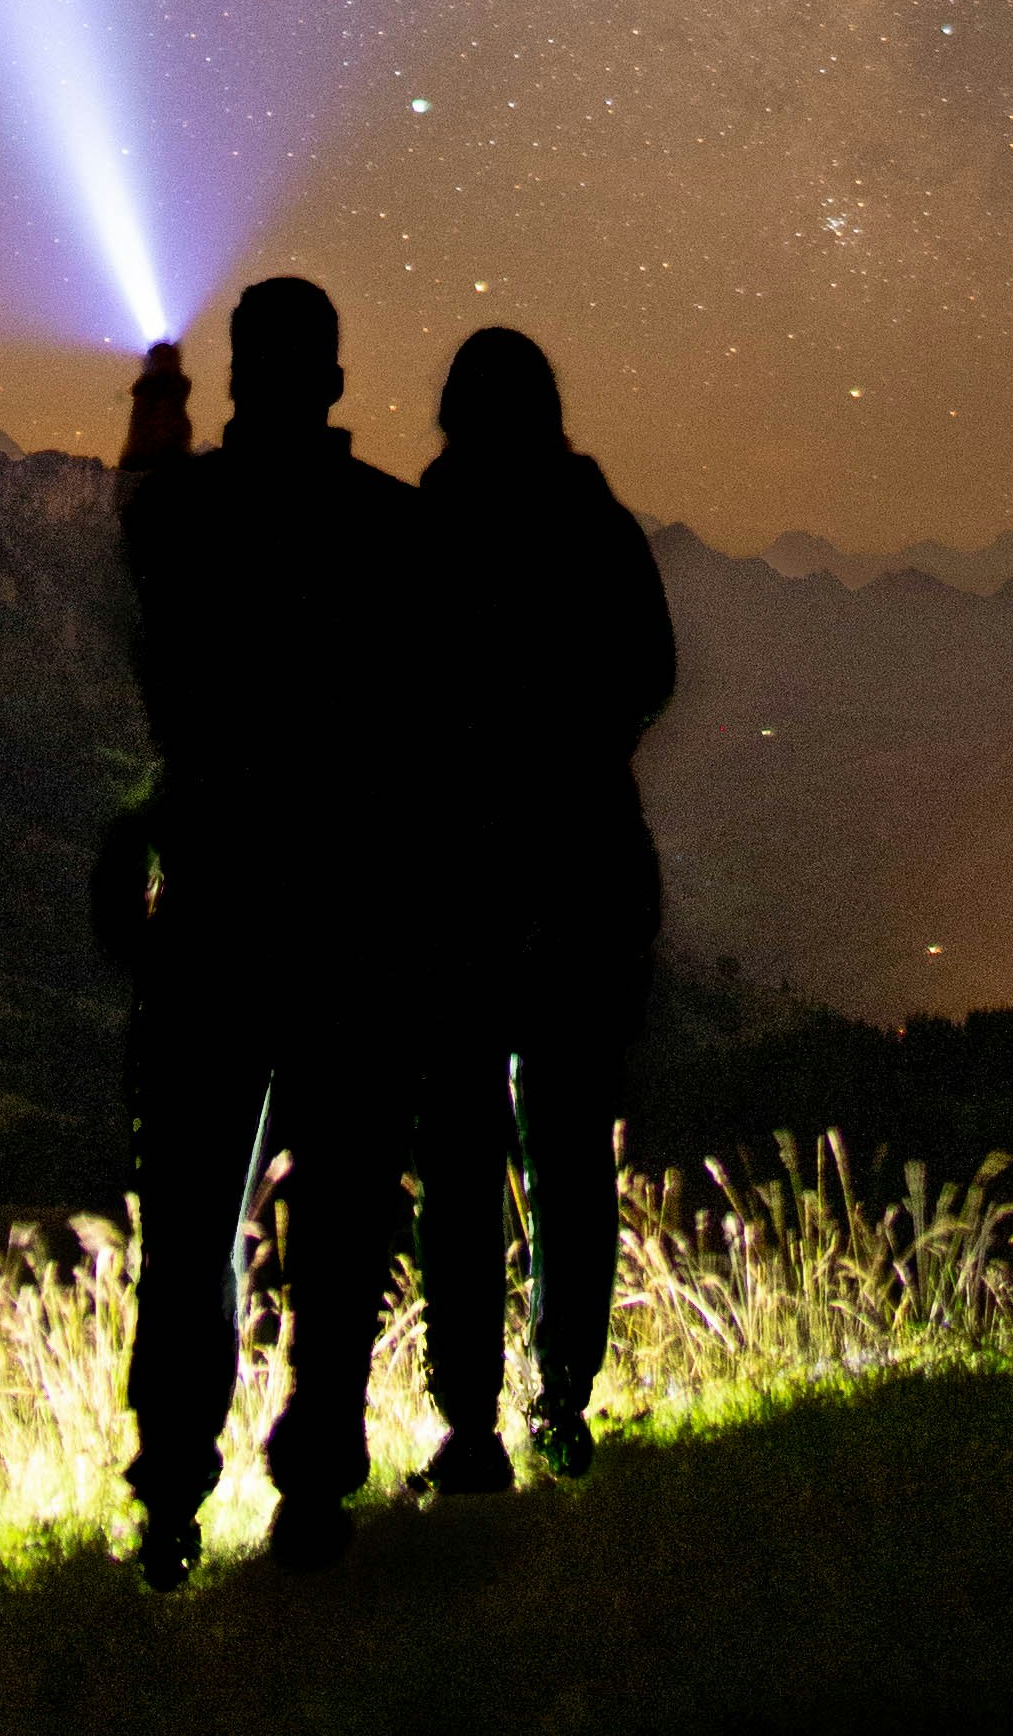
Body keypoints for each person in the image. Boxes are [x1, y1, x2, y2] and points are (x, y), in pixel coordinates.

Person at [108, 275, 431, 1584]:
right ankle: (313, 1492)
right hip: (354, 913)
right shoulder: (393, 529)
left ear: (238, 379)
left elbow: (142, 526)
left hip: (212, 909)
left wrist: (159, 412)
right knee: (345, 1210)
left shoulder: (181, 514)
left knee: (191, 1214)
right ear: (337, 381)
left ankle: (173, 1499)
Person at [412, 323, 677, 1489]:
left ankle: (469, 1424)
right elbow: (651, 679)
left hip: (456, 887)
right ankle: (560, 1403)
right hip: (585, 879)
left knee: (462, 1163)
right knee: (568, 1158)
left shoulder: (424, 534)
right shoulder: (599, 530)